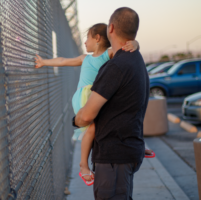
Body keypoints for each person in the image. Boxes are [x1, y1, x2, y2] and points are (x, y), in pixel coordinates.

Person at [34, 23, 139, 184]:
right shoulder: (85, 58)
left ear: (97, 38)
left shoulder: (108, 54)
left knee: (111, 120)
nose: (85, 42)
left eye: (87, 38)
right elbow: (63, 61)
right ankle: (83, 164)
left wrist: (136, 44)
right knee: (92, 129)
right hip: (86, 97)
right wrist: (44, 62)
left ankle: (135, 144)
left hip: (95, 95)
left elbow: (127, 50)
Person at [73, 7, 149, 199]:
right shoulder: (136, 59)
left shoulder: (115, 67)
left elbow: (87, 115)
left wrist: (75, 121)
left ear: (111, 28)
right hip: (127, 152)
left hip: (114, 157)